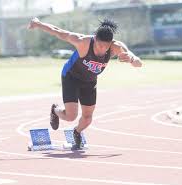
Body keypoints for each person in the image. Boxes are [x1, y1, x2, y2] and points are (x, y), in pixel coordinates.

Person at [28, 17, 142, 149]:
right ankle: (55, 110)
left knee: (87, 118)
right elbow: (57, 31)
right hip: (71, 77)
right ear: (94, 38)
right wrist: (38, 24)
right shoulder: (82, 42)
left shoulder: (117, 47)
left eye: (106, 46)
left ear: (111, 43)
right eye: (100, 45)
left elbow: (139, 63)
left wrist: (132, 59)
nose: (102, 49)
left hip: (89, 81)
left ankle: (76, 132)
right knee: (71, 116)